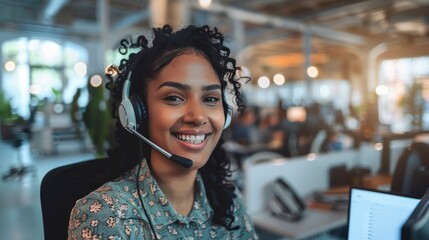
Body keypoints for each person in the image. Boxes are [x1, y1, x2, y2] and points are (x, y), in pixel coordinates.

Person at [67, 24, 259, 239]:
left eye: (210, 99)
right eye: (174, 98)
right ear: (136, 113)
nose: (197, 116)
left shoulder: (226, 200)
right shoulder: (107, 216)